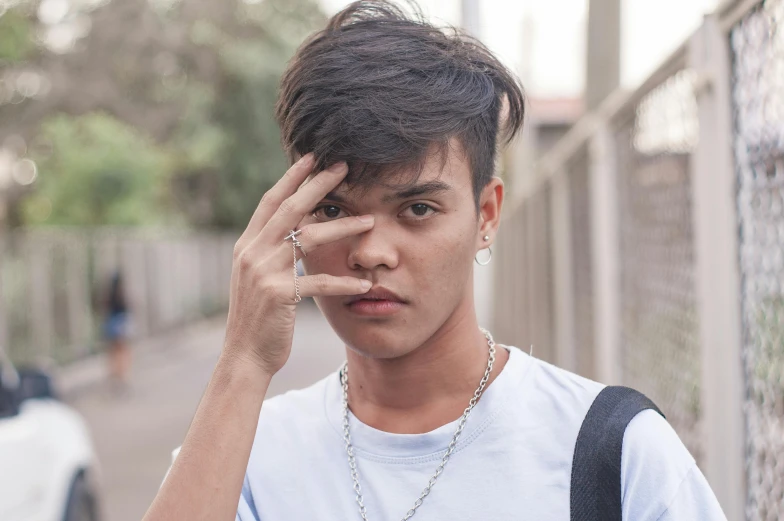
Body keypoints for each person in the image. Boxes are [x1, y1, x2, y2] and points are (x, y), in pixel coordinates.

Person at [144, 2, 726, 520]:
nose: (371, 251)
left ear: (486, 215)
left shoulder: (609, 449)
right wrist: (242, 361)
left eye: (417, 208)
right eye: (333, 209)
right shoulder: (243, 451)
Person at [102, 271, 132, 391]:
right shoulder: (121, 294)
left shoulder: (108, 295)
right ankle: (121, 375)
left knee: (113, 352)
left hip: (111, 323)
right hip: (119, 324)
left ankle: (115, 374)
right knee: (122, 351)